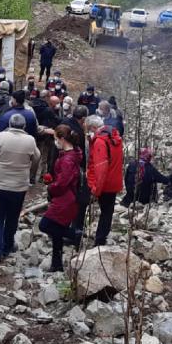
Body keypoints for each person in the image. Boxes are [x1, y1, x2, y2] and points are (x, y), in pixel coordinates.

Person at [0, 113, 41, 262]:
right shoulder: (30, 140)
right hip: (19, 185)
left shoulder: (0, 137)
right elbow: (37, 157)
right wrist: (28, 168)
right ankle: (8, 245)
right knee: (12, 216)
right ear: (24, 126)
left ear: (9, 124)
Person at [39, 125, 84, 271]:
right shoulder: (72, 154)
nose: (55, 141)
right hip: (68, 197)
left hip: (64, 199)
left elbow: (63, 182)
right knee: (57, 230)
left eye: (56, 138)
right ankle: (56, 264)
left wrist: (52, 187)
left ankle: (75, 235)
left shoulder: (67, 159)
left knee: (45, 225)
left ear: (62, 139)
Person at [85, 115, 123, 246]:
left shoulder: (100, 142)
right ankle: (102, 237)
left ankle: (99, 240)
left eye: (89, 129)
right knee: (108, 212)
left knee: (105, 212)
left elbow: (101, 168)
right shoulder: (115, 137)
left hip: (104, 184)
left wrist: (96, 189)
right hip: (114, 181)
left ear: (94, 128)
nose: (88, 132)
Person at [65, 106, 90, 246]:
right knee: (75, 203)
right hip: (76, 172)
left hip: (73, 171)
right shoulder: (79, 133)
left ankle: (72, 230)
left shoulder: (65, 122)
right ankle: (73, 232)